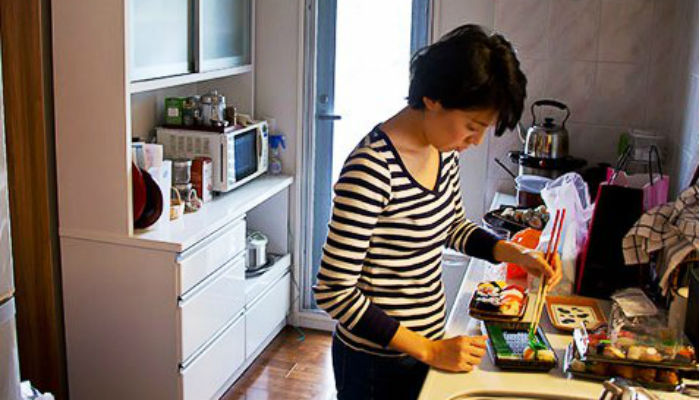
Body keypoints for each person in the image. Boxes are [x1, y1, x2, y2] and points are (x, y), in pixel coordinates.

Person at [313, 24, 562, 400]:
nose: (476, 141)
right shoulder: (372, 168)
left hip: (423, 349)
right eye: (472, 126)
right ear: (434, 99)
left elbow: (453, 227)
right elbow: (334, 291)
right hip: (375, 365)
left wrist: (517, 254)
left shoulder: (442, 151)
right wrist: (429, 350)